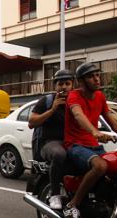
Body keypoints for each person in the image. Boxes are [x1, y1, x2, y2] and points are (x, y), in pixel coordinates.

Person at [63, 63, 117, 218]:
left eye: (98, 75)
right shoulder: (74, 96)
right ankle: (73, 205)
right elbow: (78, 115)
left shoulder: (100, 97)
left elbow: (112, 121)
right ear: (81, 81)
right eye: (92, 76)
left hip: (94, 146)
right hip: (75, 145)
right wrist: (94, 131)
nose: (97, 79)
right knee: (100, 166)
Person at [28, 69, 75, 209]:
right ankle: (55, 195)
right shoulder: (47, 101)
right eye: (60, 84)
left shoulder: (76, 101)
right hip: (49, 143)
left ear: (73, 85)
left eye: (67, 83)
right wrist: (52, 110)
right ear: (55, 86)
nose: (64, 87)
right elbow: (32, 122)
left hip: (71, 142)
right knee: (59, 154)